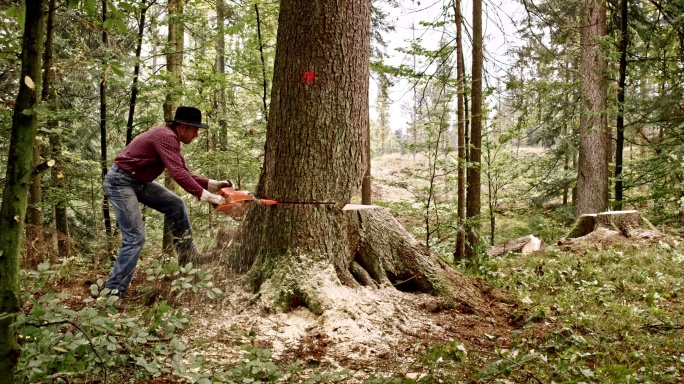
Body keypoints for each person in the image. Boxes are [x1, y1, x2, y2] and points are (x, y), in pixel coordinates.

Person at [103, 106, 230, 298]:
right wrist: (211, 198)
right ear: (182, 127)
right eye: (195, 130)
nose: (196, 135)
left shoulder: (170, 139)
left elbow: (183, 172)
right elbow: (178, 174)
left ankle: (189, 259)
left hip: (138, 181)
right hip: (121, 182)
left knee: (175, 204)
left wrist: (214, 185)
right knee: (135, 237)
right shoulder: (166, 136)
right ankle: (113, 291)